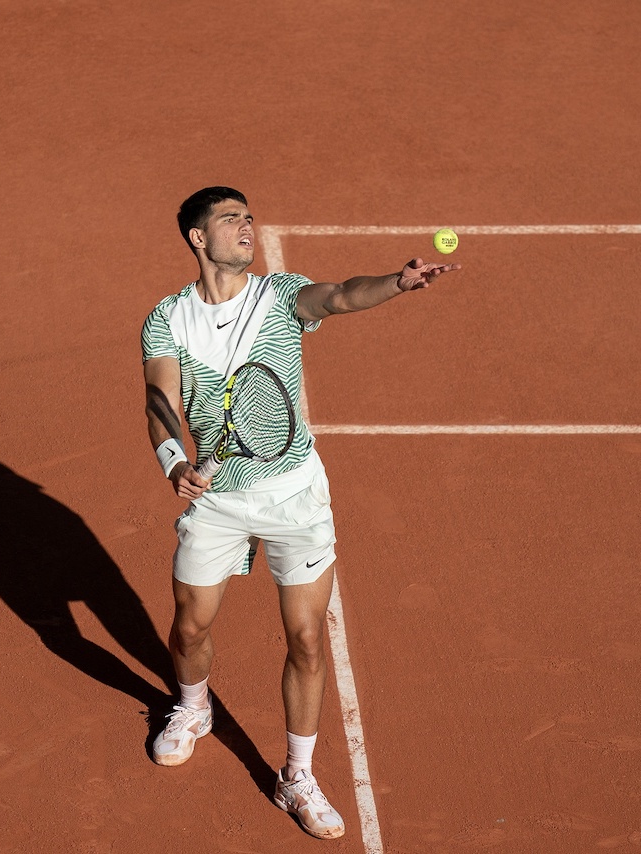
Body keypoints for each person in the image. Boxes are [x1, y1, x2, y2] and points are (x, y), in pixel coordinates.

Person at [140, 187, 460, 840]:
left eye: (248, 217)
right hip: (219, 499)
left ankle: (297, 776)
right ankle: (194, 708)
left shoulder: (280, 295)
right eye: (229, 219)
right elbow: (160, 399)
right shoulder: (167, 319)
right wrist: (175, 461)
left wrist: (396, 284)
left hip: (294, 494)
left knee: (308, 638)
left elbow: (340, 295)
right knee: (190, 627)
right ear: (198, 238)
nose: (246, 226)